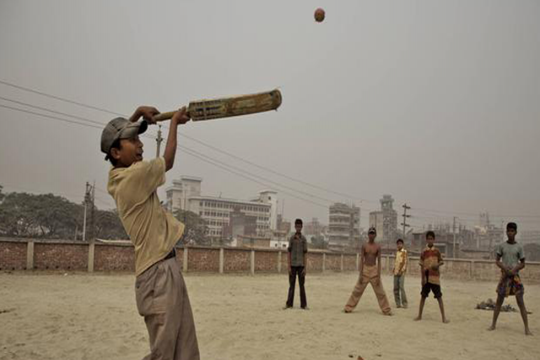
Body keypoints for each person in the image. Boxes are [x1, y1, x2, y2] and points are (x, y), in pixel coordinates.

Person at [101, 106, 200, 360]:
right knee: (163, 353)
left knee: (186, 350)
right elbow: (168, 160)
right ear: (116, 152)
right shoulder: (134, 176)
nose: (140, 145)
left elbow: (115, 139)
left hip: (167, 267)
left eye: (138, 139)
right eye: (133, 141)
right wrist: (175, 122)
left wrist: (134, 116)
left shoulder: (117, 176)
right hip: (156, 274)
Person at [488, 222, 532, 335]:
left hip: (515, 277)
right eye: (508, 231)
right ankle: (493, 324)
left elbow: (523, 263)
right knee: (499, 301)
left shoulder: (519, 247)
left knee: (520, 301)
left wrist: (515, 268)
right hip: (505, 276)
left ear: (515, 232)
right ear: (506, 232)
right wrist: (504, 267)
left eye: (512, 231)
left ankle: (527, 328)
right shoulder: (502, 246)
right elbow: (497, 261)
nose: (510, 233)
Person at [344, 227, 392, 315]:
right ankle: (348, 307)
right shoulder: (364, 246)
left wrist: (378, 275)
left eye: (373, 233)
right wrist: (360, 274)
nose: (371, 235)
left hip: (374, 269)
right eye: (370, 233)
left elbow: (380, 261)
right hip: (365, 269)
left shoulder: (378, 246)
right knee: (357, 290)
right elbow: (362, 259)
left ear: (375, 235)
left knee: (380, 292)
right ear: (368, 234)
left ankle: (386, 310)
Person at [414, 231, 449, 323]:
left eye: (431, 238)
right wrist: (422, 278)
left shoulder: (437, 251)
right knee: (423, 296)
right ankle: (419, 315)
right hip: (426, 277)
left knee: (439, 297)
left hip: (435, 278)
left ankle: (443, 318)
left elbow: (441, 261)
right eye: (428, 238)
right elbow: (421, 265)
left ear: (434, 239)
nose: (430, 240)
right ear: (426, 239)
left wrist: (437, 265)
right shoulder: (423, 252)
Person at [284, 219, 308, 309]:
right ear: (295, 227)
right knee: (291, 286)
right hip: (293, 265)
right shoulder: (291, 238)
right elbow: (289, 253)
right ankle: (289, 304)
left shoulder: (304, 239)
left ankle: (304, 305)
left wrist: (305, 268)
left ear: (301, 227)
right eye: (297, 226)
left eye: (299, 226)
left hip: (301, 265)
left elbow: (305, 254)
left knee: (302, 286)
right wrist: (289, 266)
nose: (298, 228)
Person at [393, 238, 408, 308]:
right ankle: (398, 304)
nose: (399, 245)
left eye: (400, 244)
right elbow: (396, 262)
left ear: (402, 244)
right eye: (398, 244)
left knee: (401, 287)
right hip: (396, 272)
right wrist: (394, 269)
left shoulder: (404, 252)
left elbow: (405, 263)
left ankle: (404, 303)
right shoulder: (396, 252)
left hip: (401, 273)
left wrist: (401, 271)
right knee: (395, 288)